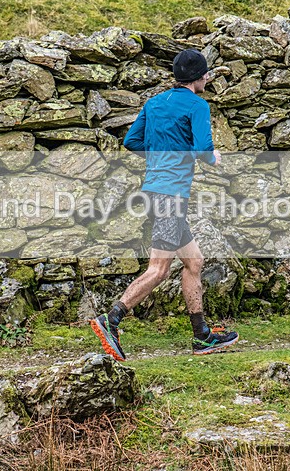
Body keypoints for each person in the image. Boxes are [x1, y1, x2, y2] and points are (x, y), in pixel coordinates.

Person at [90, 48, 239, 361]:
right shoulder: (198, 105)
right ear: (200, 76)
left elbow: (132, 141)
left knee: (194, 261)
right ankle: (111, 320)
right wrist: (214, 158)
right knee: (158, 269)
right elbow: (203, 150)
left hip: (157, 190)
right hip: (171, 195)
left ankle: (202, 336)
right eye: (207, 72)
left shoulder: (154, 102)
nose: (209, 77)